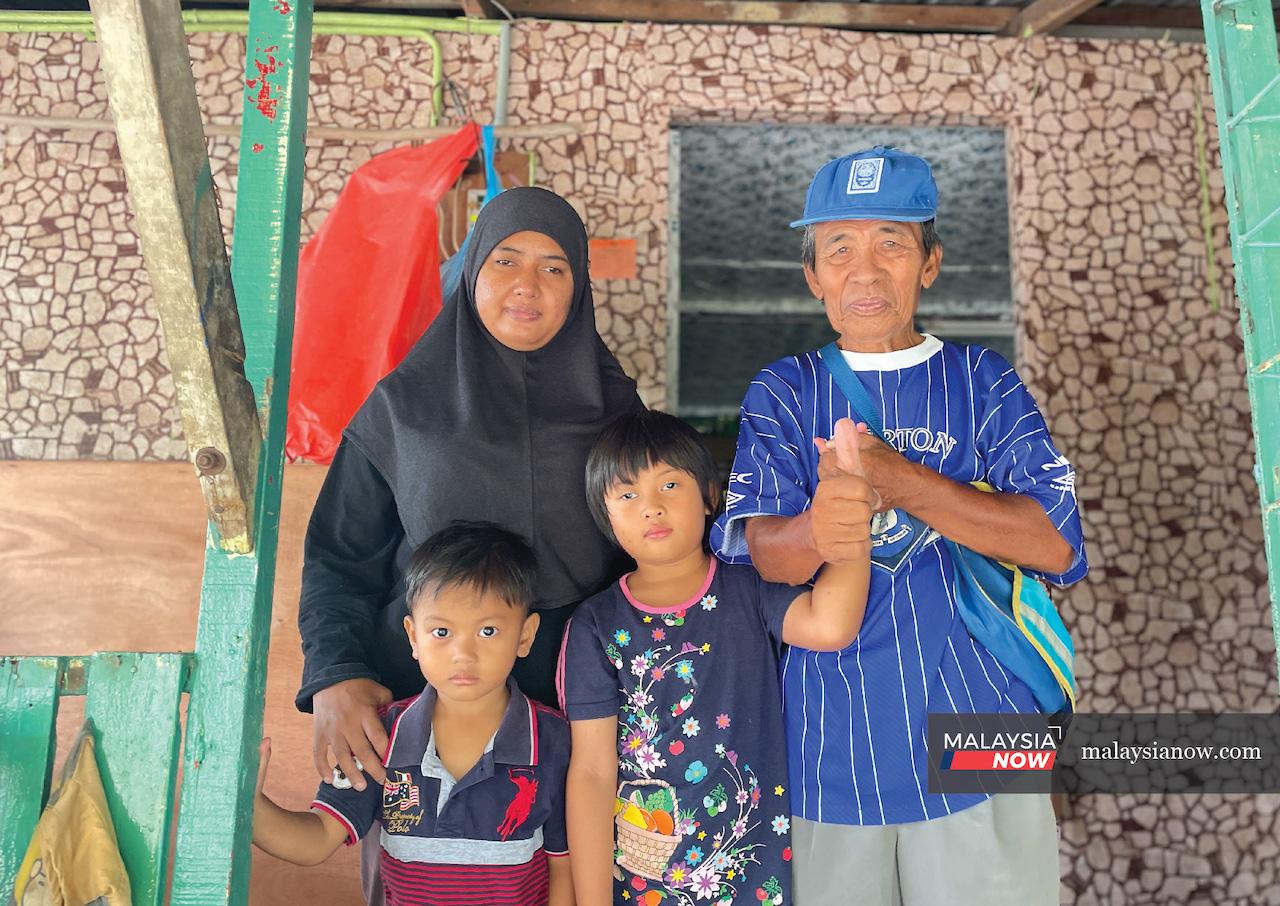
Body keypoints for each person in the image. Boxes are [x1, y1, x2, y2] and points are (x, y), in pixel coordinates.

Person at [711, 146, 1089, 906]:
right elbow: (765, 559)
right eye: (838, 247)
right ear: (813, 275)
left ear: (930, 262)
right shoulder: (787, 391)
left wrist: (902, 481)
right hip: (828, 741)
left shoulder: (984, 383)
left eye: (892, 241)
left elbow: (1055, 543)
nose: (865, 268)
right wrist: (825, 525)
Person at [560, 409, 873, 905]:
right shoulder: (596, 626)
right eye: (627, 495)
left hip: (753, 877)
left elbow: (830, 625)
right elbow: (593, 773)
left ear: (710, 496)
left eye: (669, 486)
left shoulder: (748, 588)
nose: (650, 508)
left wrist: (849, 510)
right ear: (606, 516)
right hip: (643, 884)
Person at [255, 521, 573, 906]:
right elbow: (317, 840)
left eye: (488, 631)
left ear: (524, 635)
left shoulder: (554, 741)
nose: (463, 654)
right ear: (413, 637)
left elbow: (564, 868)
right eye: (441, 632)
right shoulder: (376, 735)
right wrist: (251, 806)